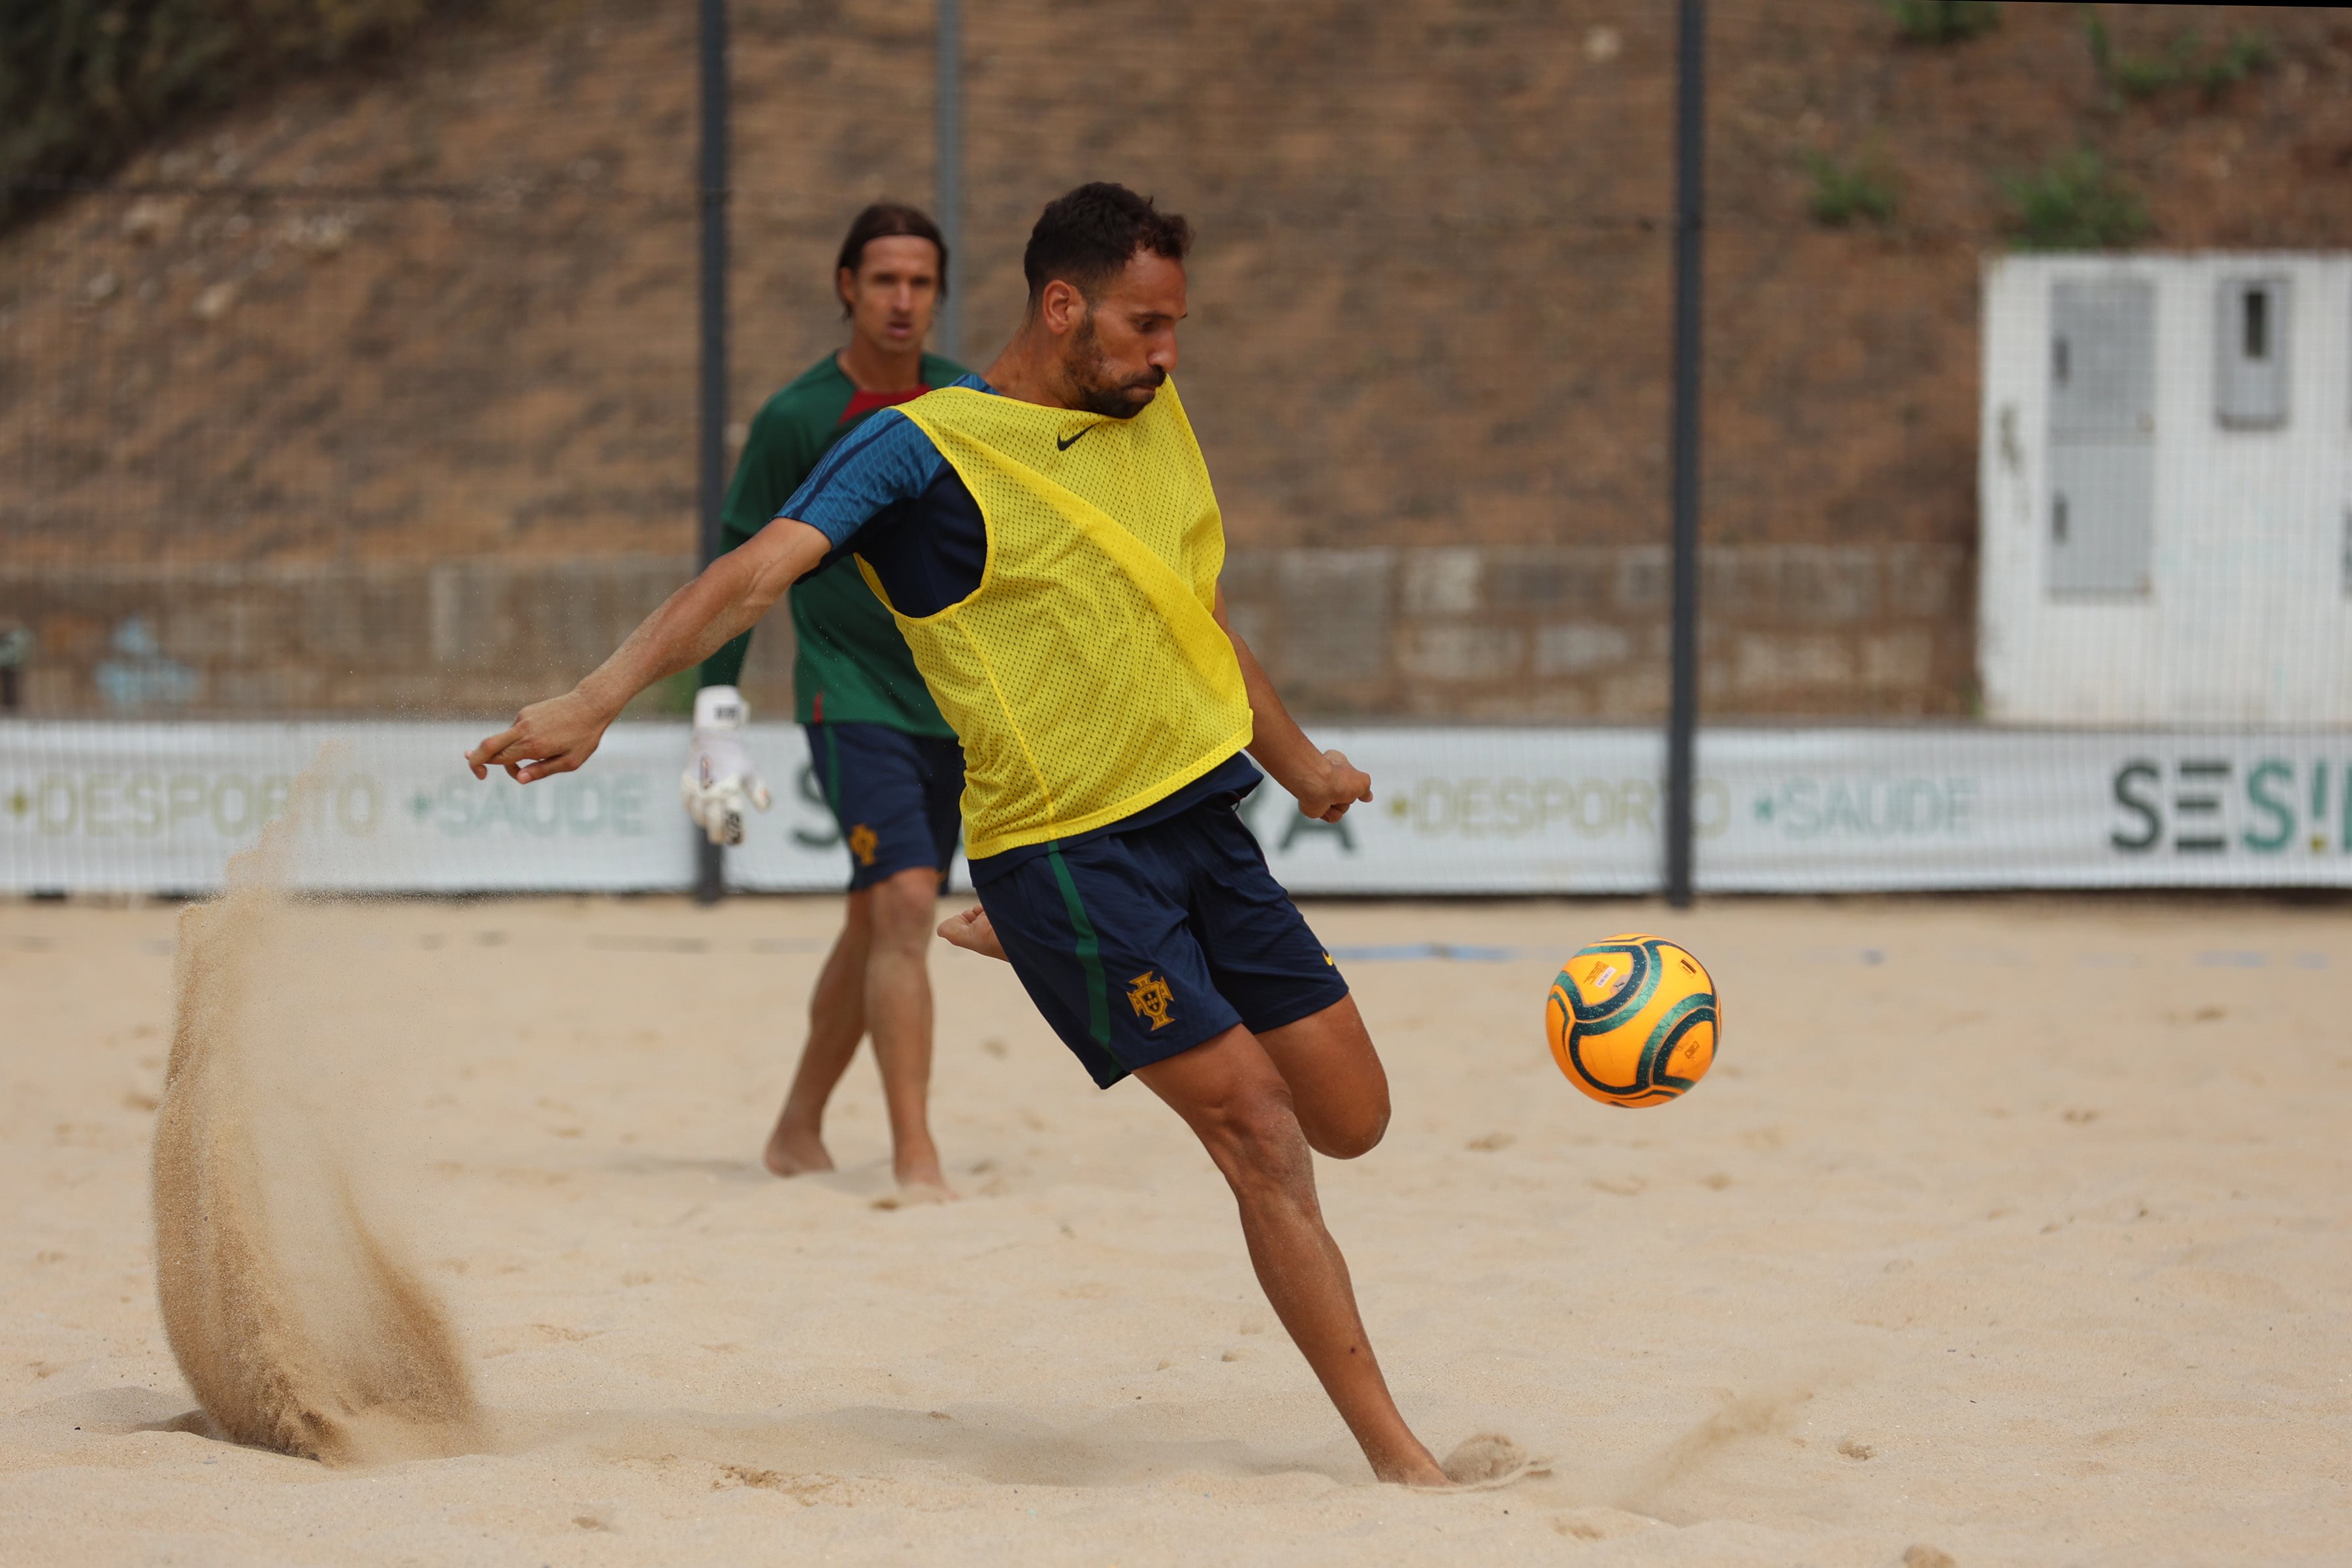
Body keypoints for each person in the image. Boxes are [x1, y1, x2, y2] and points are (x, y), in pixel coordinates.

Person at [466, 183, 1454, 1486]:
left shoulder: (1152, 418)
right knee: (1262, 1132)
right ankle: (1404, 1467)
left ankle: (1031, 944)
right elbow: (754, 569)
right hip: (1071, 853)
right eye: (1147, 324)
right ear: (1063, 306)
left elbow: (1196, 617)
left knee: (1355, 1118)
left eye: (1178, 326)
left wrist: (1305, 765)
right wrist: (600, 700)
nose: (1168, 353)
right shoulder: (920, 449)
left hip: (1203, 825)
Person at [681, 202, 969, 1198]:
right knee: (903, 904)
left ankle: (797, 1128)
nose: (902, 299)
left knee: (874, 924)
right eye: (883, 279)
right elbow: (735, 568)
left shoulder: (968, 402)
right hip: (849, 700)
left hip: (959, 709)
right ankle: (916, 1156)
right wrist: (715, 723)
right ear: (846, 286)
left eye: (920, 282)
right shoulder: (797, 419)